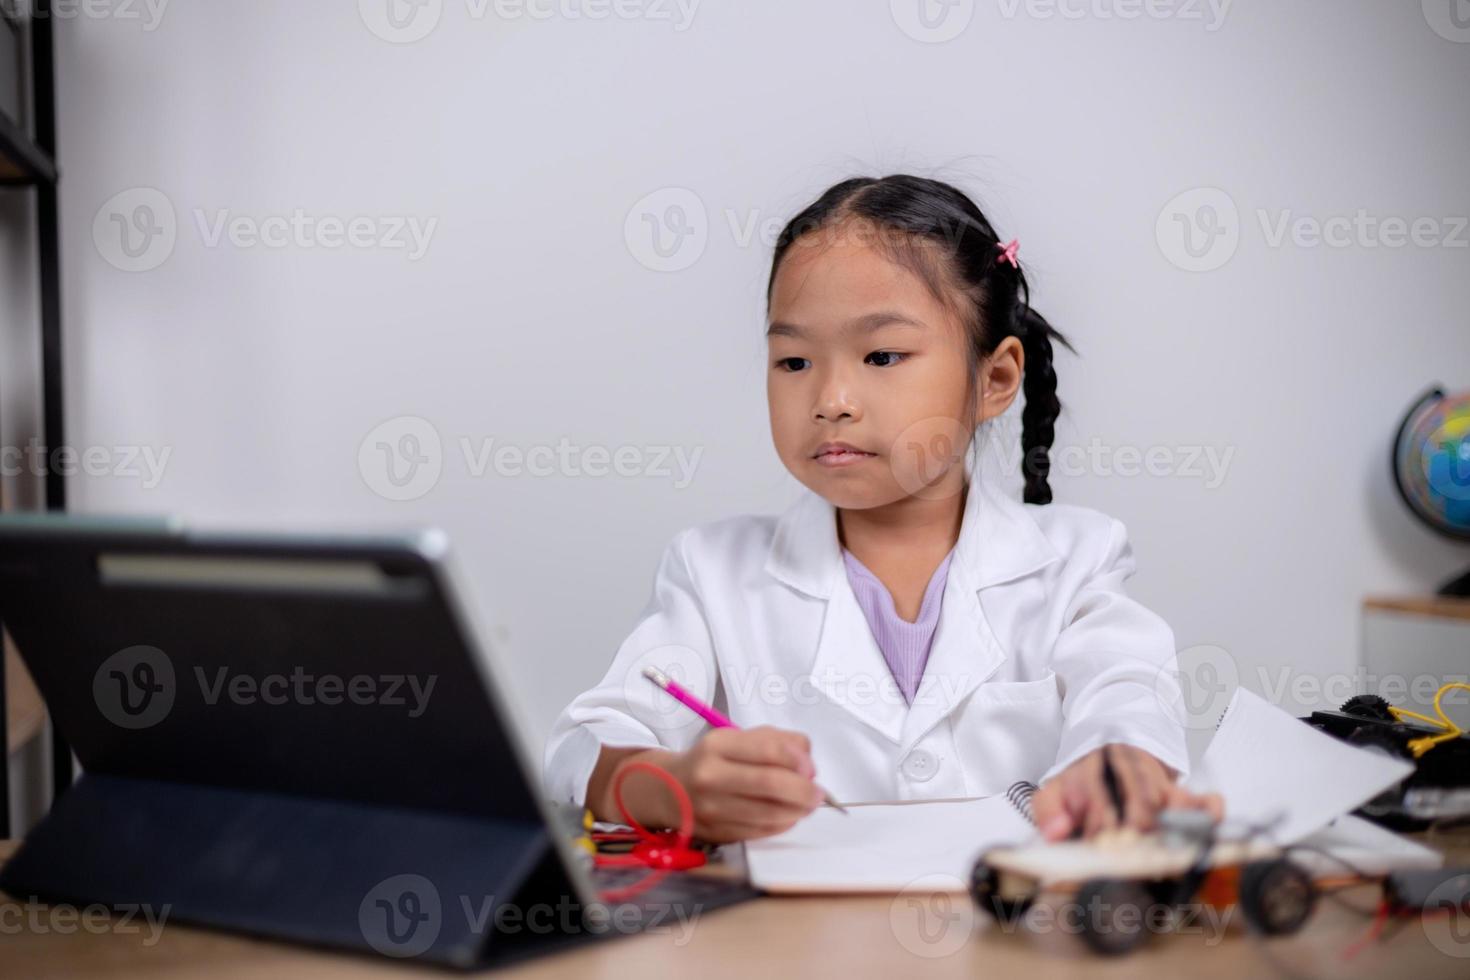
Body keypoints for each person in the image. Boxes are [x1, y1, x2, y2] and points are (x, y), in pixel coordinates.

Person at [544, 174, 1222, 843]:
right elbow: (580, 751)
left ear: (995, 380)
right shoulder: (712, 570)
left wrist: (1117, 762)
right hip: (788, 949)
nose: (831, 398)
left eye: (882, 355)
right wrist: (675, 783)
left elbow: (1128, 695)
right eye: (793, 361)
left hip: (1015, 943)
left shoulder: (1078, 560)